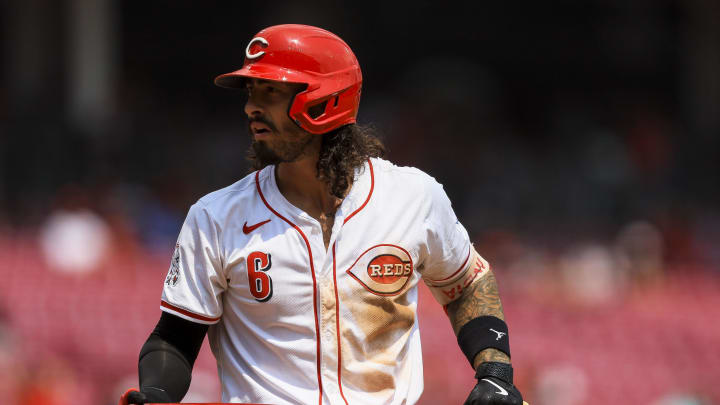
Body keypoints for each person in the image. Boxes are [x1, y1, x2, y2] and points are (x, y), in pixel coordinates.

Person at [119, 24, 525, 405]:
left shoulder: (413, 197)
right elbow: (174, 338)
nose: (250, 108)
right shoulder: (215, 217)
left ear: (325, 100)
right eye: (250, 92)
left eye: (270, 92)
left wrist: (494, 371)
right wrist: (157, 393)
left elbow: (467, 283)